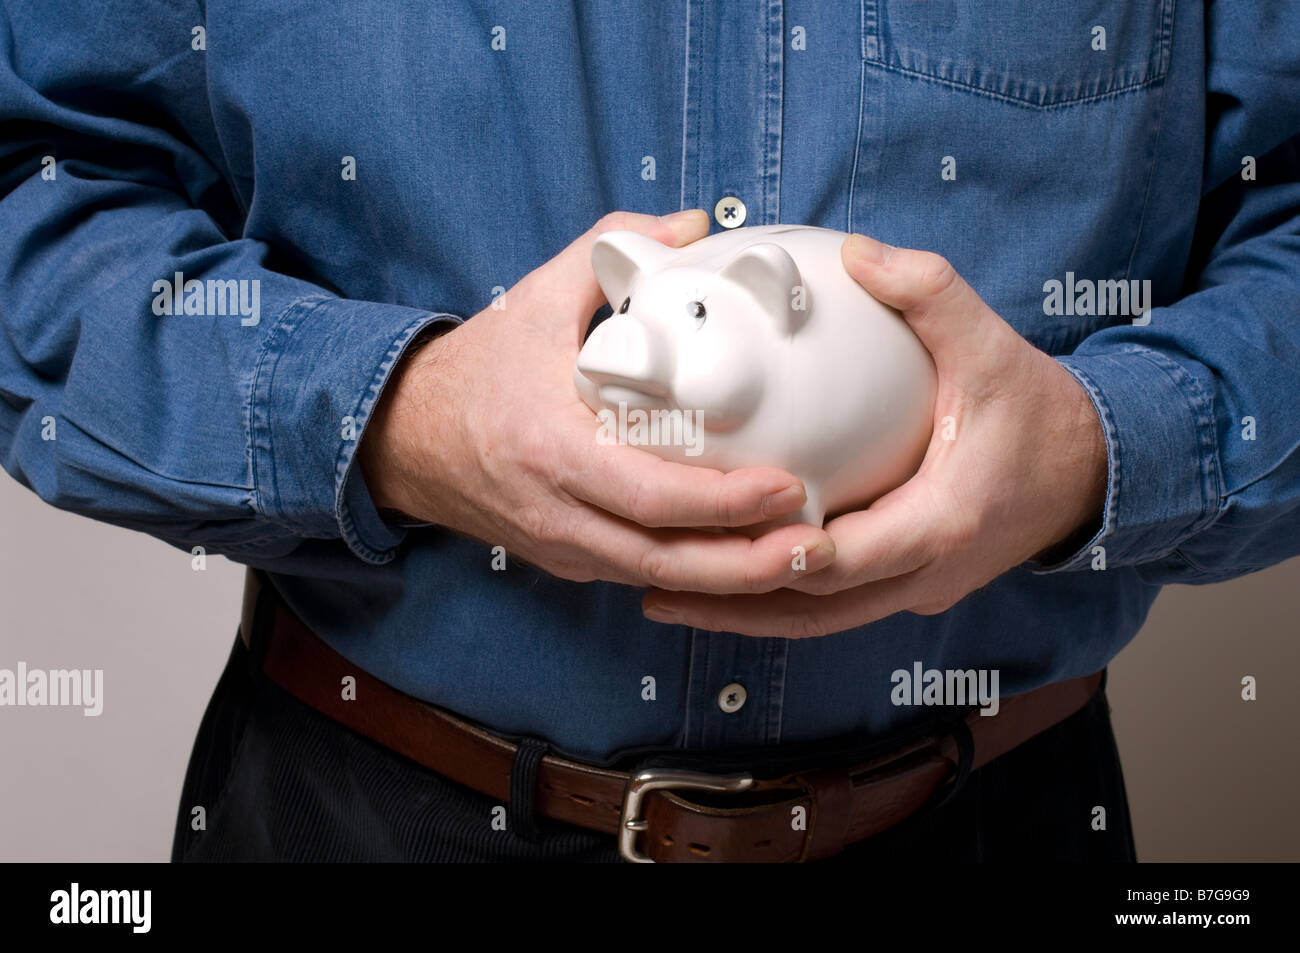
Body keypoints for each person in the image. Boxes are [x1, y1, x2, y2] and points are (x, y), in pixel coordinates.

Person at [1, 2, 1296, 863]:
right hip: (364, 804)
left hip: (996, 811)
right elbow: (37, 187)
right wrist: (398, 415)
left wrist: (1102, 443)